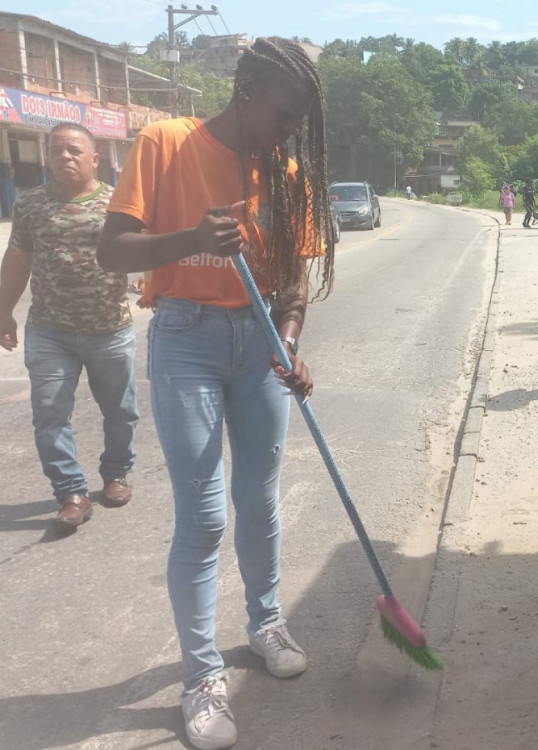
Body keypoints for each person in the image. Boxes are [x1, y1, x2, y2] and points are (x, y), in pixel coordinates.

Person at [97, 38, 334, 750]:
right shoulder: (166, 143)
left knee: (258, 497)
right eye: (286, 115)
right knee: (202, 519)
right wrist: (190, 239)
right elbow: (112, 250)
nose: (290, 133)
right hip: (186, 338)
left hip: (256, 346)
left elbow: (292, 287)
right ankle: (201, 677)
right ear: (248, 89)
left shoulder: (286, 174)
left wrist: (287, 344)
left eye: (300, 123)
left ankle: (265, 622)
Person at [0, 122, 138, 532]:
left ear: (95, 158)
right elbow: (18, 258)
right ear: (47, 157)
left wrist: (153, 282)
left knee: (121, 411)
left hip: (109, 327)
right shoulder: (30, 204)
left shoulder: (118, 203)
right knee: (49, 412)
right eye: (57, 149)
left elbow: (142, 249)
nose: (66, 156)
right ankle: (71, 492)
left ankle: (115, 474)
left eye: (75, 150)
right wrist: (4, 309)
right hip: (50, 329)